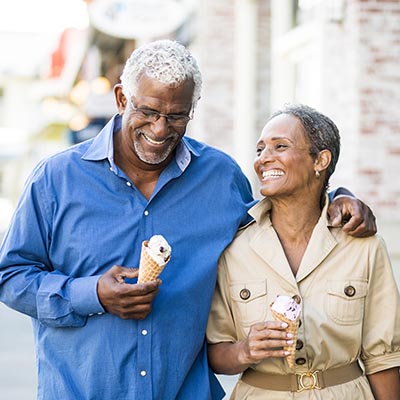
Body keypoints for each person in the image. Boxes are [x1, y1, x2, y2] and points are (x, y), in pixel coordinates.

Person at [0, 40, 377, 400]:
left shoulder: (219, 177)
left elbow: (277, 219)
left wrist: (336, 195)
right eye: (147, 112)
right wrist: (92, 293)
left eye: (176, 115)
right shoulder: (56, 179)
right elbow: (11, 275)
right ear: (120, 99)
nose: (161, 130)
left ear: (191, 110)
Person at [206, 104, 400, 399]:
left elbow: (383, 358)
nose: (264, 158)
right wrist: (245, 350)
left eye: (280, 146)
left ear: (320, 160)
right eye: (260, 150)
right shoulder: (234, 247)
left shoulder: (363, 246)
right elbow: (215, 352)